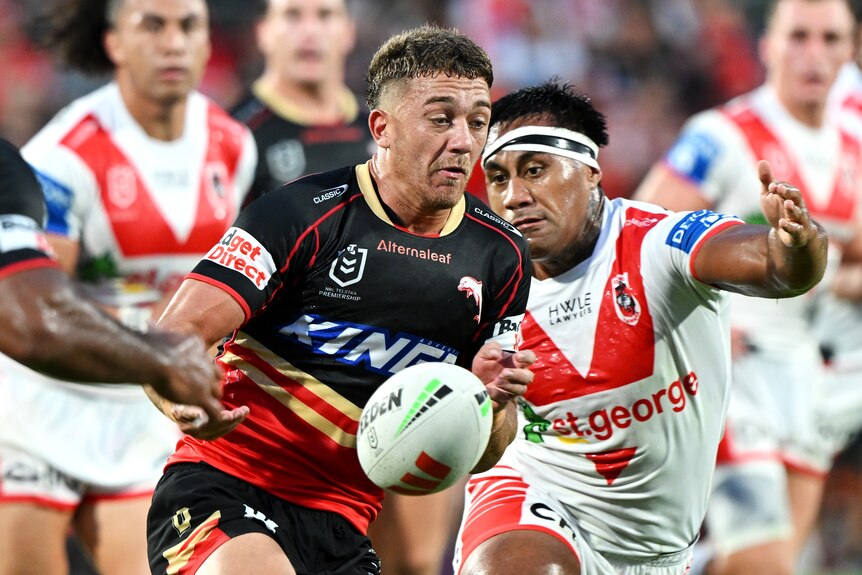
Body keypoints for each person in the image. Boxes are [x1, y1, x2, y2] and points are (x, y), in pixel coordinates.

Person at [144, 24, 535, 575]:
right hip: (226, 486)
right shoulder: (299, 216)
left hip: (346, 523)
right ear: (383, 128)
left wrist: (491, 405)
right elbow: (170, 339)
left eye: (478, 121)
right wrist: (181, 404)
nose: (464, 141)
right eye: (441, 119)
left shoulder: (502, 257)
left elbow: (488, 451)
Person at [452, 79, 828, 575]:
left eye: (535, 171)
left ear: (590, 172)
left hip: (658, 553)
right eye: (498, 179)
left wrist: (798, 244)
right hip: (533, 499)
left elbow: (776, 267)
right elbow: (485, 454)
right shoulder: (484, 292)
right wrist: (488, 408)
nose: (513, 196)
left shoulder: (660, 243)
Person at [0, 0, 256, 574]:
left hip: (146, 415)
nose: (173, 42)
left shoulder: (234, 145)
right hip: (40, 410)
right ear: (113, 42)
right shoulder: (62, 157)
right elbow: (47, 306)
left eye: (189, 26)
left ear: (210, 41)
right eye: (152, 25)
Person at [634, 0, 859, 572]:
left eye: (831, 39)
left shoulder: (855, 127)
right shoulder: (723, 136)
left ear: (851, 49)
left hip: (817, 380)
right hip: (738, 375)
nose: (815, 54)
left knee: (774, 562)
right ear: (767, 45)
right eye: (799, 36)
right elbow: (636, 236)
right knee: (765, 562)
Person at [0, 136, 224, 409]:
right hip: (46, 401)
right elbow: (30, 318)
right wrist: (164, 358)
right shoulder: (59, 156)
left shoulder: (233, 142)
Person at [231, 0, 374, 206]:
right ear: (263, 32)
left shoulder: (383, 130)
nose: (310, 31)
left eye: (325, 15)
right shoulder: (235, 135)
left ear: (349, 31)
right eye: (292, 15)